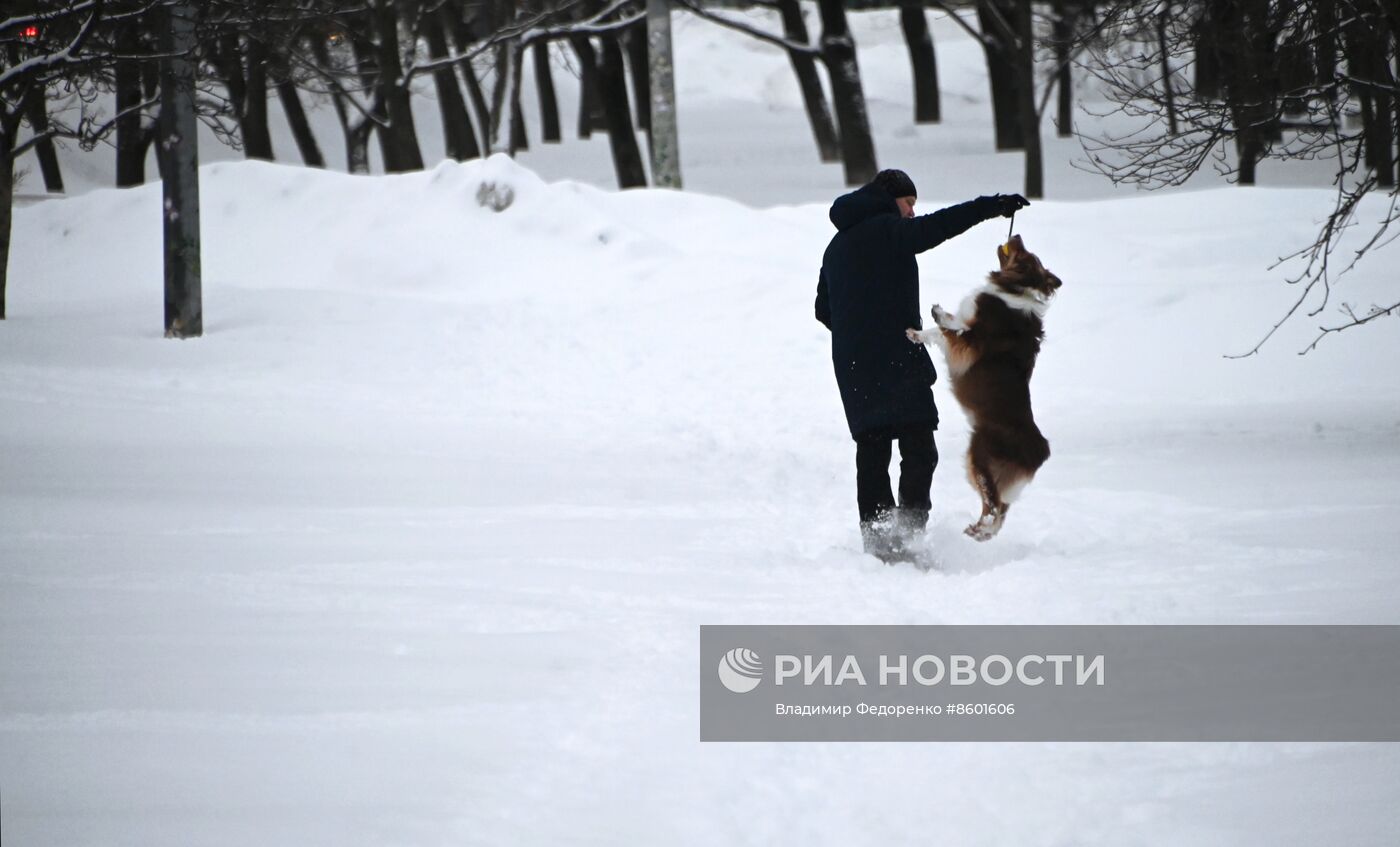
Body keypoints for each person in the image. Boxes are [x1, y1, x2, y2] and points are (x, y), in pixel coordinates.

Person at [815, 169, 1028, 561]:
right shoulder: (888, 230)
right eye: (909, 203)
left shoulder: (836, 246)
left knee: (872, 448)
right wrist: (990, 207)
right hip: (896, 355)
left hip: (854, 364)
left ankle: (878, 539)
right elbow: (939, 227)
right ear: (888, 199)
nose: (912, 212)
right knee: (918, 445)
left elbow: (823, 309)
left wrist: (858, 330)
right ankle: (910, 532)